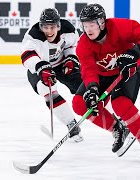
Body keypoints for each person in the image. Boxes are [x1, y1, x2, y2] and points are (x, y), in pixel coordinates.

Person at [72, 3, 140, 162]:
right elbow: (88, 69)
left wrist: (134, 53)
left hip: (127, 72)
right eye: (85, 25)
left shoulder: (121, 27)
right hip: (102, 75)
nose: (88, 29)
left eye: (92, 24)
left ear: (101, 22)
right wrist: (92, 89)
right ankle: (118, 128)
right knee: (80, 104)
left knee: (120, 103)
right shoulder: (83, 45)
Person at [20, 8, 84, 142]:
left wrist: (71, 58)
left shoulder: (68, 29)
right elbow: (27, 55)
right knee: (46, 90)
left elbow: (72, 46)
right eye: (45, 27)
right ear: (40, 26)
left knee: (85, 87)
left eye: (52, 27)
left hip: (61, 65)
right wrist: (40, 67)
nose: (49, 31)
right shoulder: (33, 35)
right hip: (40, 68)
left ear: (58, 25)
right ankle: (71, 124)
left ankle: (115, 120)